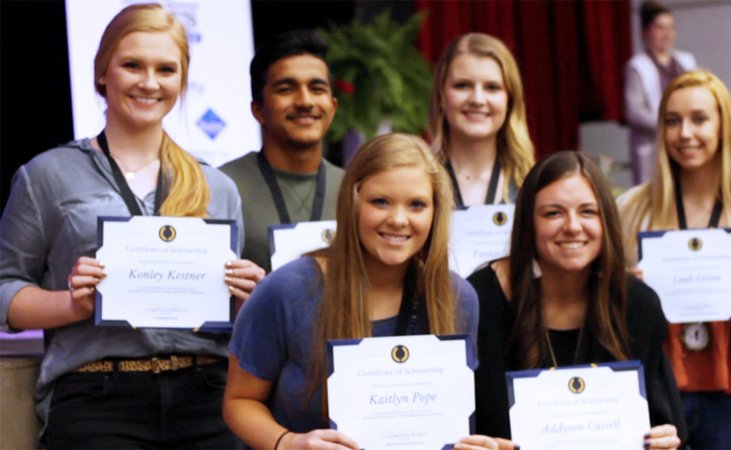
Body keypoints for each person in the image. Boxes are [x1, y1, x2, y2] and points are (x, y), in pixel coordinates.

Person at [0, 4, 263, 448]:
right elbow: (5, 287)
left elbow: (233, 321)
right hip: (97, 397)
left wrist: (251, 300)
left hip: (207, 397)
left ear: (181, 81)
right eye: (132, 65)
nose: (149, 82)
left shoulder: (217, 186)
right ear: (103, 73)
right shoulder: (47, 174)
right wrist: (72, 305)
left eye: (166, 69)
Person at [223, 133, 480, 449]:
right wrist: (289, 443)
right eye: (380, 202)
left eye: (417, 205)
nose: (398, 219)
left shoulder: (458, 298)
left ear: (436, 211)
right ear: (352, 203)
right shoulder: (286, 291)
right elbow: (239, 400)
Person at [469, 151, 686, 449]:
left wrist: (666, 442)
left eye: (587, 212)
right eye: (553, 213)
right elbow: (460, 428)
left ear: (606, 221)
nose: (572, 226)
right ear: (528, 223)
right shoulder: (480, 302)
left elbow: (667, 429)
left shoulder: (637, 306)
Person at [617, 70, 731, 450]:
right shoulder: (630, 210)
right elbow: (614, 316)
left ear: (724, 126)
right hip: (656, 392)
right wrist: (622, 292)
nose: (685, 133)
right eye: (672, 121)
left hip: (726, 395)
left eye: (699, 119)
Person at [220, 30, 344, 273]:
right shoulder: (222, 187)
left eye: (317, 89)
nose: (305, 101)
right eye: (286, 89)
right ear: (258, 109)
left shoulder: (357, 189)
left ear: (332, 107)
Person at [428, 32, 535, 207]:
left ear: (510, 100)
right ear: (440, 96)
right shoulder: (417, 181)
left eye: (492, 88)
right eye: (462, 85)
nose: (477, 99)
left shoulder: (533, 185)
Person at [625, 0, 697, 185]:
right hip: (654, 146)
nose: (667, 34)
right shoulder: (638, 66)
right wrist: (668, 124)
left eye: (671, 28)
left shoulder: (686, 61)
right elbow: (634, 112)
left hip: (685, 140)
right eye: (660, 28)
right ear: (646, 32)